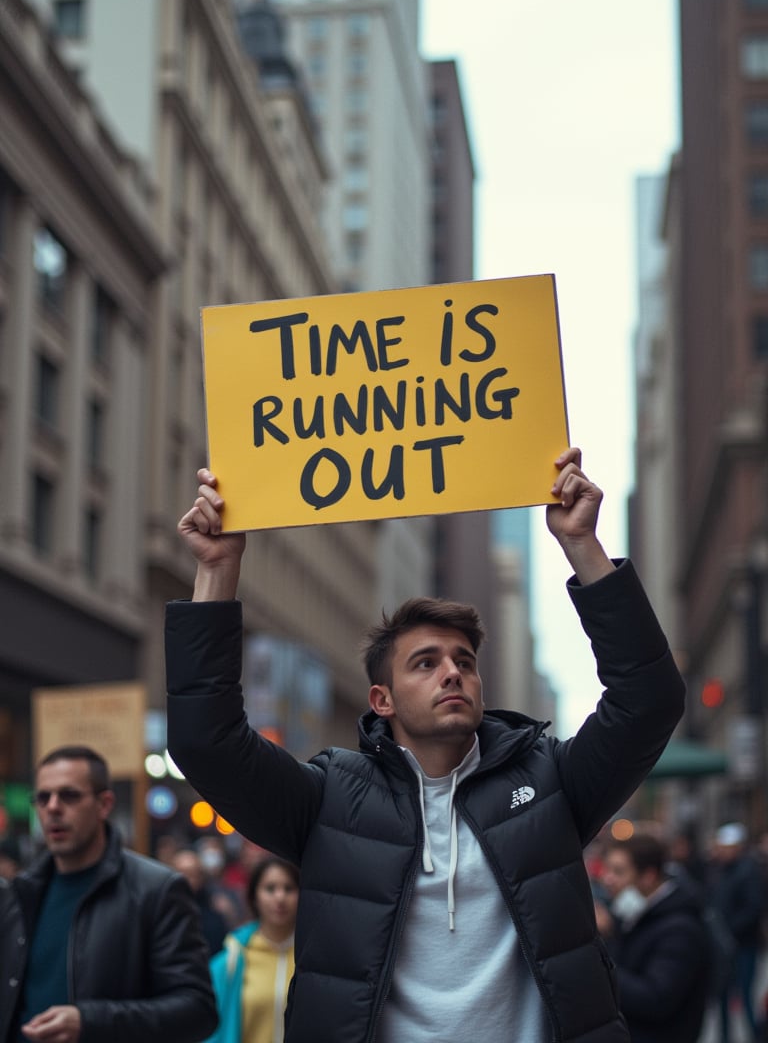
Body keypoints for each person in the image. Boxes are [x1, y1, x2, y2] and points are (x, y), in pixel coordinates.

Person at [165, 447, 685, 1043]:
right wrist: (216, 570)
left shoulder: (551, 782)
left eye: (464, 660)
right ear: (381, 700)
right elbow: (206, 741)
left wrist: (582, 546)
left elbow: (649, 699)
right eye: (426, 663)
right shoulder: (330, 800)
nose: (452, 673)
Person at [1, 745, 218, 1043]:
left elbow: (198, 1011)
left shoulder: (157, 890)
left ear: (104, 804)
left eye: (69, 795)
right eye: (43, 797)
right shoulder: (20, 893)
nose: (52, 807)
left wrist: (90, 1021)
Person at [595, 833, 710, 1042]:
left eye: (618, 871)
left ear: (648, 876)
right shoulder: (631, 914)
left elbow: (655, 999)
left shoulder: (680, 929)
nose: (607, 879)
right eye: (607, 869)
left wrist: (598, 962)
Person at [205, 856, 299, 1043]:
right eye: (270, 888)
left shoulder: (312, 957)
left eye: (288, 888)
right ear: (254, 896)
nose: (280, 897)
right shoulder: (230, 960)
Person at [710, 821, 765, 1043]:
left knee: (744, 994)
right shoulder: (721, 869)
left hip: (744, 945)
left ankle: (756, 1036)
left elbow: (753, 908)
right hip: (726, 946)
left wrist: (729, 929)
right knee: (723, 997)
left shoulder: (748, 870)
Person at [172, 847, 231, 956]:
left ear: (200, 877)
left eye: (191, 874)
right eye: (180, 873)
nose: (185, 880)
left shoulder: (213, 913)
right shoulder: (162, 909)